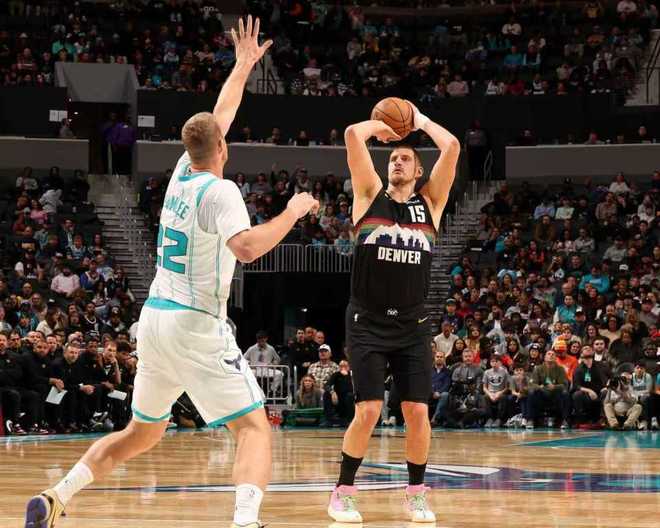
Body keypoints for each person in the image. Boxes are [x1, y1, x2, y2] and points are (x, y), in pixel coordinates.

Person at [25, 16, 319, 528]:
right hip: (194, 322)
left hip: (156, 320)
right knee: (254, 428)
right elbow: (248, 248)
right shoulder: (221, 191)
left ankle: (56, 494)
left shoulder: (182, 172)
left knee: (142, 432)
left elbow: (220, 115)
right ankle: (246, 521)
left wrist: (243, 66)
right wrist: (293, 212)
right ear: (223, 149)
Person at [328, 100, 459, 523]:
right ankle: (343, 492)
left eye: (406, 158)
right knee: (368, 410)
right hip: (366, 321)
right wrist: (379, 126)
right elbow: (352, 135)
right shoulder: (369, 195)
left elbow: (452, 146)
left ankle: (416, 493)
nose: (398, 161)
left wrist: (419, 121)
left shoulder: (430, 204)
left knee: (417, 411)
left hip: (412, 323)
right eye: (393, 158)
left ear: (419, 171)